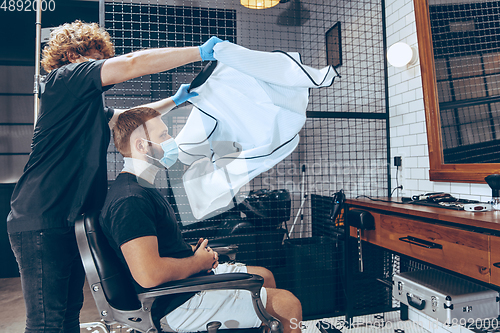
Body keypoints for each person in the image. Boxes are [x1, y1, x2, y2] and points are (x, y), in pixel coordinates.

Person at [7, 19, 221, 333]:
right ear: (72, 55)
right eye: (96, 56)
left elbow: (130, 119)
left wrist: (178, 99)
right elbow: (132, 63)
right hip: (42, 217)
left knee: (67, 317)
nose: (103, 65)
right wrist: (199, 52)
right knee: (46, 323)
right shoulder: (64, 79)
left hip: (66, 220)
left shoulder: (86, 103)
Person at [100, 106, 302, 333]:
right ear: (141, 146)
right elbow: (148, 274)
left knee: (265, 276)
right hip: (175, 305)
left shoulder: (142, 189)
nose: (172, 141)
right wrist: (197, 262)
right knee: (288, 305)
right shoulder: (130, 200)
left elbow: (159, 249)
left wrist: (196, 254)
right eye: (163, 135)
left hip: (182, 288)